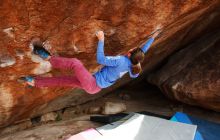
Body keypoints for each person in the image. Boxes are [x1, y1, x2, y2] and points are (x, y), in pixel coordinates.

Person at [19, 30, 160, 94]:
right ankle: (33, 82)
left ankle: (48, 58)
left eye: (132, 49)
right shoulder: (133, 66)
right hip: (95, 87)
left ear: (129, 53)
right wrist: (153, 38)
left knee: (75, 63)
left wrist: (101, 40)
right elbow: (143, 51)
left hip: (92, 83)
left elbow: (100, 59)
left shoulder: (120, 60)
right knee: (62, 80)